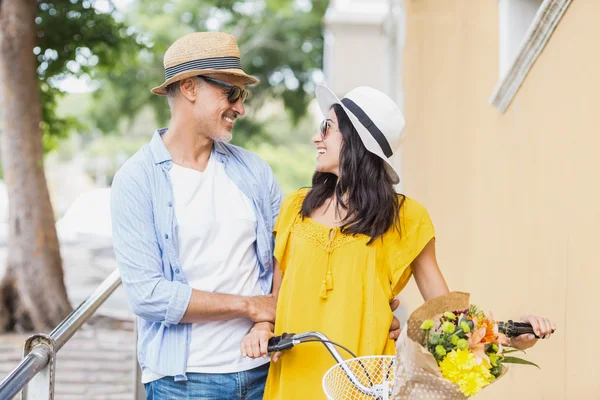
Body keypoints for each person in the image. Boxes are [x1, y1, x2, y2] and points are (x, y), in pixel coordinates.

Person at [111, 32, 403, 399]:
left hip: (267, 370)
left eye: (242, 96)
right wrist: (248, 305)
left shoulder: (254, 171)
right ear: (189, 88)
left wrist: (368, 303)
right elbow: (148, 295)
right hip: (185, 382)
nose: (240, 107)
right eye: (230, 93)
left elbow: (294, 260)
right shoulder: (137, 180)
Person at [240, 85, 556, 399]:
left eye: (328, 128)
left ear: (355, 142)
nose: (316, 138)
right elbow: (277, 295)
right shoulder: (295, 207)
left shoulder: (407, 218)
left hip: (363, 379)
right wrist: (261, 328)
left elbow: (444, 311)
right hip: (293, 374)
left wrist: (509, 333)